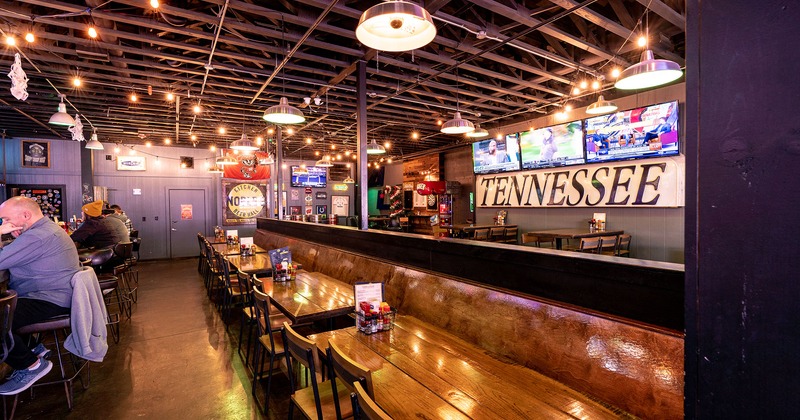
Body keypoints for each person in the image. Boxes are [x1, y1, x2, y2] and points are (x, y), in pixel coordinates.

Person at [0, 196, 80, 395]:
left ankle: (31, 365)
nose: (4, 223)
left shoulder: (37, 237)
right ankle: (33, 348)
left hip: (48, 298)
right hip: (55, 295)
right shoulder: (44, 230)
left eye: (6, 219)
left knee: (1, 317)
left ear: (26, 215)